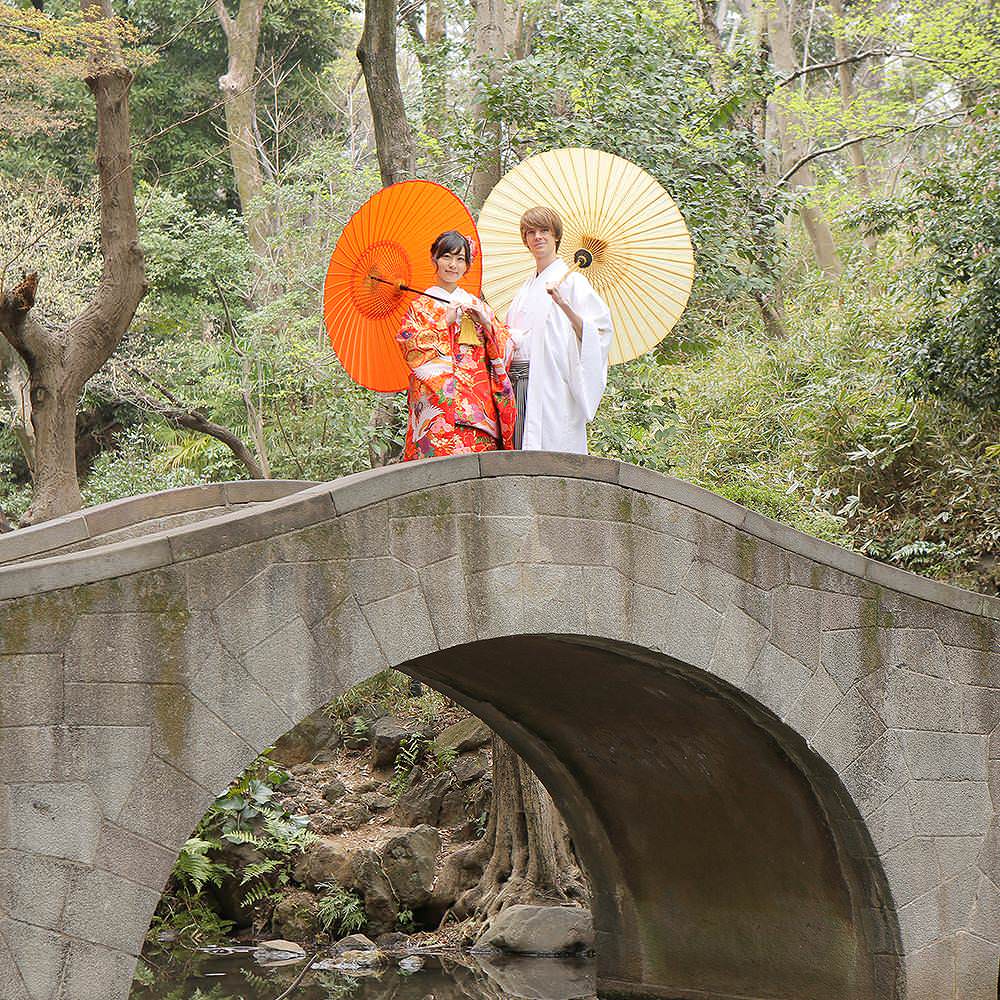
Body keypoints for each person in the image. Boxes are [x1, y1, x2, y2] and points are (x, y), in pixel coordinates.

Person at [396, 230, 516, 461]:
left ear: (467, 265)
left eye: (460, 259)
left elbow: (505, 346)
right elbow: (408, 344)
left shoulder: (476, 305)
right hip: (436, 409)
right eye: (447, 257)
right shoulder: (420, 305)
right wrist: (444, 323)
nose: (453, 265)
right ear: (435, 259)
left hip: (476, 410)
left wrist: (487, 323)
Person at [505, 206, 613, 453]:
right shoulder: (524, 289)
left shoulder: (573, 282)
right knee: (520, 452)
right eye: (531, 232)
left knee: (554, 451)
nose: (537, 237)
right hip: (519, 382)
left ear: (556, 236)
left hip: (553, 381)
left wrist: (564, 304)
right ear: (525, 240)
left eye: (544, 230)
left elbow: (600, 331)